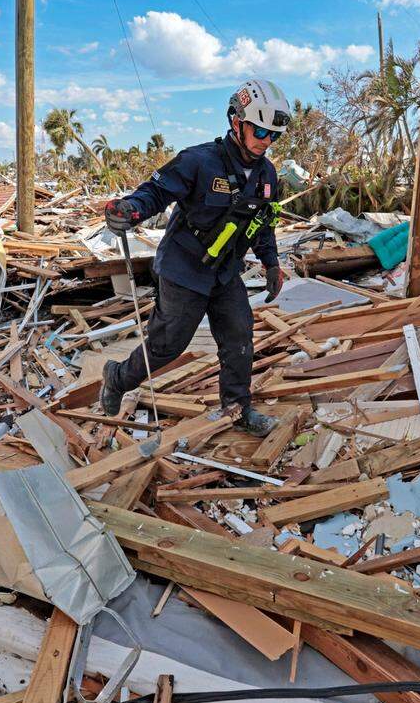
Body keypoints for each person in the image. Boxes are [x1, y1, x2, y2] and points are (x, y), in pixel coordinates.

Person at [100, 78, 291, 437]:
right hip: (183, 270)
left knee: (239, 336)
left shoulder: (267, 174)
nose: (266, 142)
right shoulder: (199, 161)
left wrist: (271, 263)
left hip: (224, 273)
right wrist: (130, 209)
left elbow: (263, 224)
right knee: (167, 346)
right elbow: (155, 192)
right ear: (237, 122)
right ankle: (117, 377)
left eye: (274, 136)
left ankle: (238, 408)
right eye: (261, 131)